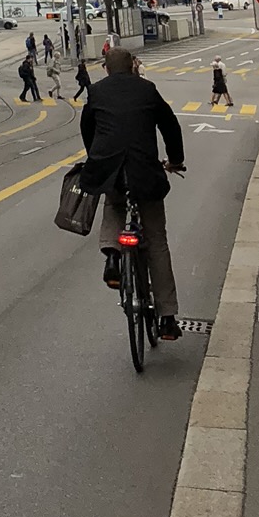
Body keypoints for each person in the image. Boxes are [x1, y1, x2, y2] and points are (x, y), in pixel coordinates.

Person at [78, 47, 186, 342]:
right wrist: (175, 160)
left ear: (106, 68)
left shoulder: (96, 92)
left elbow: (87, 129)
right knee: (156, 242)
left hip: (110, 170)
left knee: (113, 205)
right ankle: (167, 318)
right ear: (132, 67)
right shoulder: (147, 89)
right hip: (145, 172)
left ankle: (112, 256)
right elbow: (170, 126)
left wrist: (97, 158)